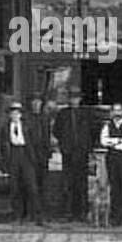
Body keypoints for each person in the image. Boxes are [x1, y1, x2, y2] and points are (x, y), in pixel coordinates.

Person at [0, 100, 46, 226]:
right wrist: (4, 160)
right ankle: (18, 215)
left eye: (17, 113)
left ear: (21, 114)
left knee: (32, 186)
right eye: (13, 113)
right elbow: (2, 144)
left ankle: (38, 216)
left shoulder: (27, 126)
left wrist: (37, 158)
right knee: (15, 187)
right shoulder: (6, 127)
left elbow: (35, 142)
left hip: (26, 155)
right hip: (13, 154)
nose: (15, 115)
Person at [52, 87, 92, 223]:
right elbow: (56, 130)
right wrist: (64, 144)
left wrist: (86, 146)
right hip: (68, 153)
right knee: (68, 183)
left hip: (82, 152)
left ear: (80, 99)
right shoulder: (62, 113)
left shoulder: (86, 113)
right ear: (69, 99)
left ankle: (82, 212)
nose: (75, 100)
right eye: (72, 97)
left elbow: (92, 131)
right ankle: (69, 212)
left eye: (77, 97)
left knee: (82, 183)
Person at [99, 102, 122, 227]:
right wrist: (117, 140)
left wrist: (115, 145)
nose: (117, 113)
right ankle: (115, 217)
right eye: (115, 110)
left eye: (119, 110)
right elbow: (103, 141)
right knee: (114, 188)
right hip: (112, 160)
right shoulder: (107, 127)